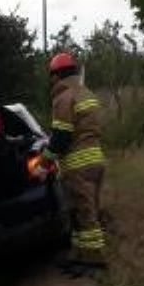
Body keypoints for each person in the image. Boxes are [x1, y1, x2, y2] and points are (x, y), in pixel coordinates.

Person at [44, 52, 107, 273]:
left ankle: (94, 261)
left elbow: (61, 137)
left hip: (77, 164)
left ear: (56, 76)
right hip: (95, 160)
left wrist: (45, 160)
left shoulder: (64, 98)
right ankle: (80, 257)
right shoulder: (87, 94)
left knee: (83, 213)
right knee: (85, 210)